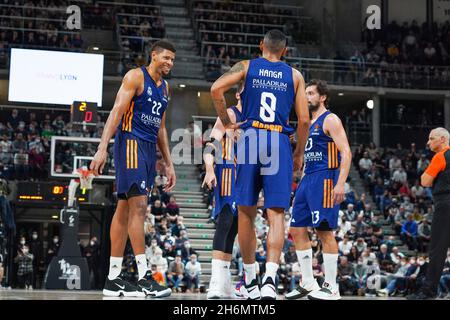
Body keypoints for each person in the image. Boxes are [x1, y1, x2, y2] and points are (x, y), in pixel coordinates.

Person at [210, 29, 310, 300]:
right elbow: (303, 121)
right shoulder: (295, 75)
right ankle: (270, 279)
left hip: (251, 136)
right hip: (278, 139)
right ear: (285, 51)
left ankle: (250, 278)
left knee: (245, 212)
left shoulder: (247, 66)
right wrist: (299, 152)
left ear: (260, 45)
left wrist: (229, 123)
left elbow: (216, 89)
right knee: (276, 213)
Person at [91, 40, 176, 298]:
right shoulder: (135, 76)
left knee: (125, 207)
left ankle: (113, 278)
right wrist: (102, 148)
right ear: (153, 55)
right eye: (166, 58)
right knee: (138, 207)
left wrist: (169, 163)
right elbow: (116, 112)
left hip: (149, 148)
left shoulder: (165, 88)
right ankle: (144, 276)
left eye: (172, 60)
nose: (170, 63)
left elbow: (161, 127)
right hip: (130, 142)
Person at [287, 79, 352, 300]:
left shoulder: (330, 119)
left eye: (311, 93)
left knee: (324, 231)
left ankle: (332, 286)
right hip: (307, 179)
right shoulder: (307, 123)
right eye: (305, 93)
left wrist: (340, 182)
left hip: (326, 176)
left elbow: (346, 152)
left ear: (322, 97)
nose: (306, 97)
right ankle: (308, 282)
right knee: (296, 229)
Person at [202, 88, 243, 299]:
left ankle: (226, 282)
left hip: (245, 174)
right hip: (227, 169)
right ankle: (215, 283)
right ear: (238, 94)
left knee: (234, 229)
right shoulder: (229, 114)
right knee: (225, 222)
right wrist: (209, 170)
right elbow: (211, 145)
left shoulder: (256, 116)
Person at [408, 128, 450, 299]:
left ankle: (428, 291)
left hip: (445, 205)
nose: (428, 142)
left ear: (442, 139)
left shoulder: (441, 156)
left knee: (437, 250)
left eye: (431, 139)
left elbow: (425, 181)